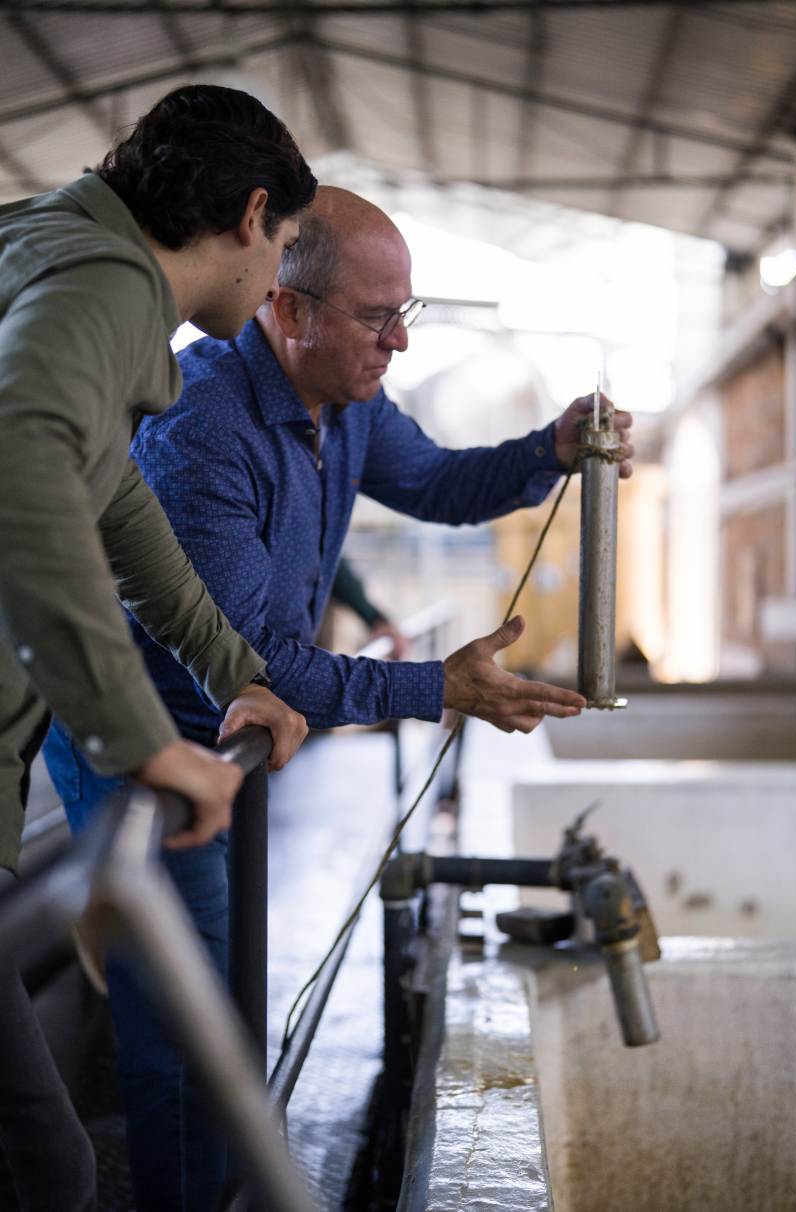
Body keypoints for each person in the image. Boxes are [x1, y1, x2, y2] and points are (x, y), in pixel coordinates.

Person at [44, 187, 633, 1210]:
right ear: (287, 305)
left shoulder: (346, 401)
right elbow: (259, 661)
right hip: (143, 749)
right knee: (185, 1031)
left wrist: (546, 447)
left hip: (236, 747)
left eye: (409, 315)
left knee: (223, 996)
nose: (397, 343)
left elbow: (443, 485)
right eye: (376, 318)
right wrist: (434, 687)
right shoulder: (199, 424)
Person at [0, 83, 315, 1212]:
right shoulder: (106, 287)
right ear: (251, 216)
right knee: (49, 1167)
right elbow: (25, 466)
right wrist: (140, 741)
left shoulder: (45, 240)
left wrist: (236, 673)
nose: (278, 279)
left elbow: (114, 502)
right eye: (281, 249)